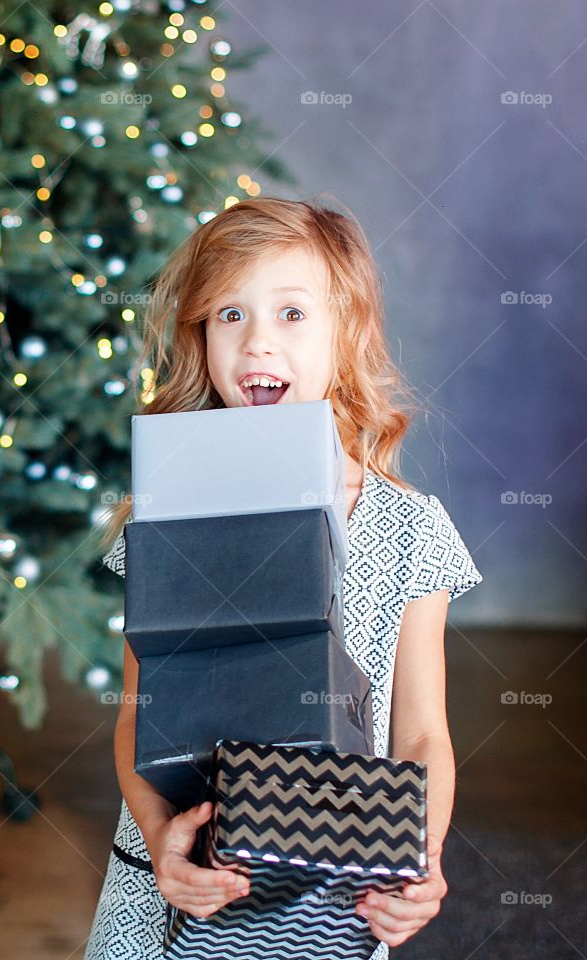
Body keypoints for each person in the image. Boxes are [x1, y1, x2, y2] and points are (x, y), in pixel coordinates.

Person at [82, 197, 483, 960]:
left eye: (292, 313)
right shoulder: (169, 515)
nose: (257, 339)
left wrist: (418, 863)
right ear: (200, 335)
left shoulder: (411, 528)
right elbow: (138, 718)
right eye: (228, 315)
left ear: (347, 334)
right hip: (173, 883)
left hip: (333, 896)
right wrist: (164, 839)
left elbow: (424, 732)